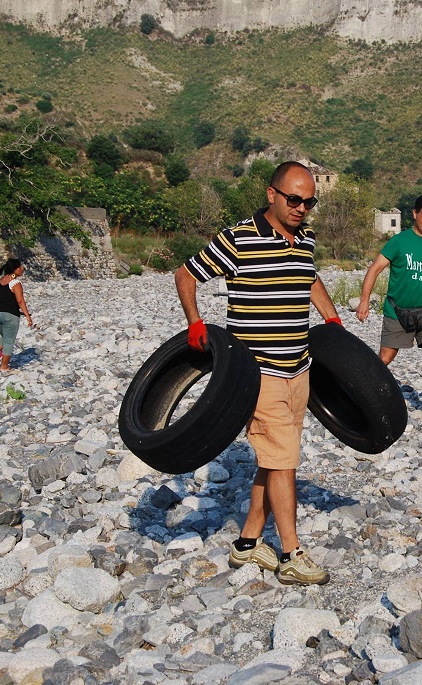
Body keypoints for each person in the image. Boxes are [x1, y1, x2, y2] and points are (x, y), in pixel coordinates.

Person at [174, 161, 341, 586]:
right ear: (272, 194)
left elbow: (310, 277)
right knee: (284, 463)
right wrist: (196, 322)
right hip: (258, 372)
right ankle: (291, 552)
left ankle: (248, 543)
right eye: (294, 199)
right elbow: (186, 274)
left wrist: (331, 318)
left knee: (273, 460)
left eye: (309, 201)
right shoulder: (238, 238)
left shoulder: (306, 239)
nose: (302, 207)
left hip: (299, 368)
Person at [356, 195, 422, 423]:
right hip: (397, 312)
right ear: (414, 214)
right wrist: (364, 301)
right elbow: (374, 269)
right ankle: (361, 392)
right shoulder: (399, 241)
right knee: (385, 358)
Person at [0, 258, 34, 372]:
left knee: (5, 336)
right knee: (9, 340)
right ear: (15, 269)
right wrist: (28, 316)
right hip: (10, 315)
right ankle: (4, 366)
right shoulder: (15, 283)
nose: (22, 269)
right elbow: (20, 300)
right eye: (20, 267)